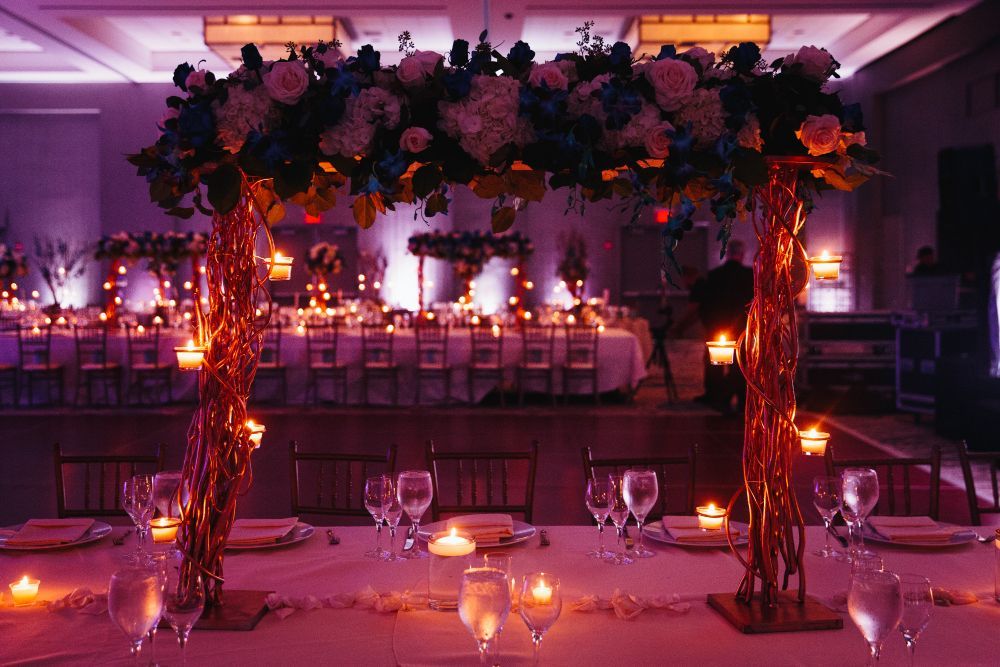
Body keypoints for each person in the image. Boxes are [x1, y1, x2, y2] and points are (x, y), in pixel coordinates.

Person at [684, 240, 754, 412]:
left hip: (716, 326)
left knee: (713, 362)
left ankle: (714, 395)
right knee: (740, 363)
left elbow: (702, 304)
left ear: (727, 254)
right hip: (742, 328)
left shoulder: (713, 275)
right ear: (742, 254)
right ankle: (740, 399)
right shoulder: (750, 276)